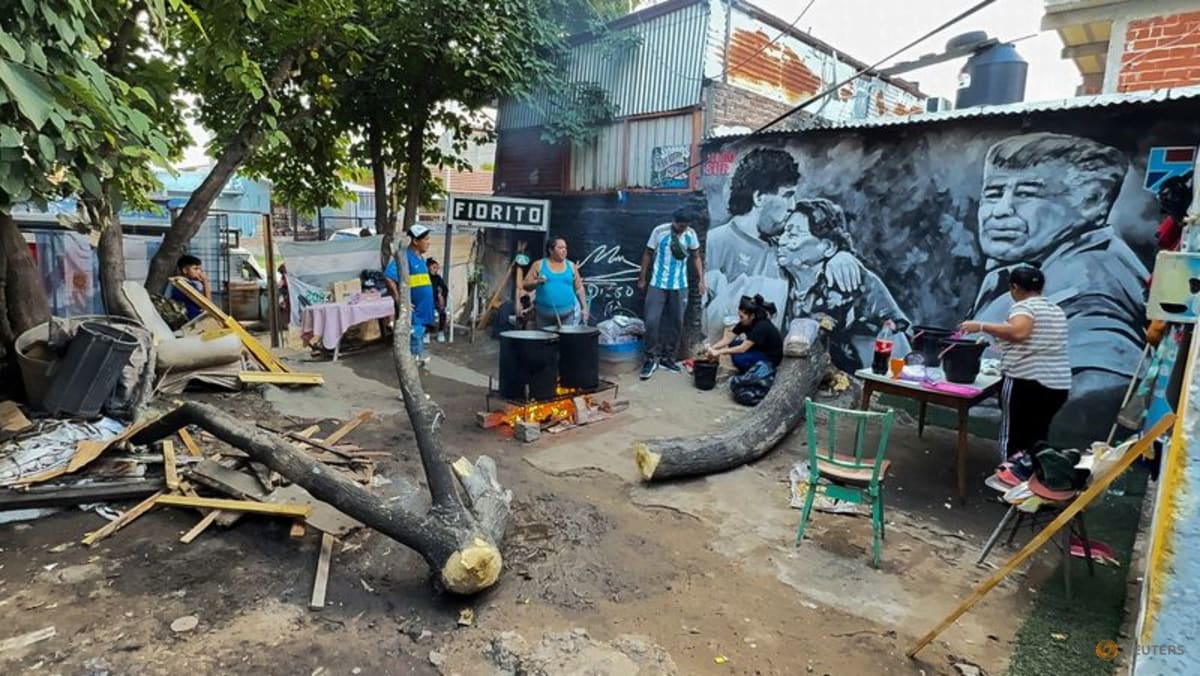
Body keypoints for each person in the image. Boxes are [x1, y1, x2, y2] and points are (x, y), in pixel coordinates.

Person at [969, 133, 1147, 445]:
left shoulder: (1089, 282)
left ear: (1092, 202)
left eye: (1026, 194)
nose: (1001, 210)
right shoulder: (1031, 267)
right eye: (993, 193)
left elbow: (1103, 381)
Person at [703, 147, 863, 343]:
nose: (793, 205)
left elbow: (818, 257)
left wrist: (840, 255)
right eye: (787, 195)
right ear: (759, 197)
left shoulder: (786, 247)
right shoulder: (714, 244)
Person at [775, 199, 911, 374]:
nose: (782, 241)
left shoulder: (852, 281)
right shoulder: (780, 272)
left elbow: (897, 337)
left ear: (829, 247)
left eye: (793, 235)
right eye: (784, 232)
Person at [960, 265, 1071, 462]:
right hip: (1057, 386)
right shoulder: (1055, 309)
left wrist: (981, 326)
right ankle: (1031, 480)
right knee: (1037, 437)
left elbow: (1020, 332)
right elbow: (1036, 342)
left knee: (1013, 436)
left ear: (1014, 287)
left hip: (1026, 383)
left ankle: (1008, 477)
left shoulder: (1024, 307)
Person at [637, 208, 705, 379]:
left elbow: (696, 256)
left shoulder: (690, 234)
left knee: (676, 322)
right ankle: (651, 359)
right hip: (657, 284)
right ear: (673, 220)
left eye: (685, 226)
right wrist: (642, 277)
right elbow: (648, 254)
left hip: (680, 285)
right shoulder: (659, 231)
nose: (681, 228)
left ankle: (668, 358)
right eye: (679, 225)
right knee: (652, 321)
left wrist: (701, 280)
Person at [383, 224, 436, 363]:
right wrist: (400, 299)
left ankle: (417, 359)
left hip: (424, 308)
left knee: (419, 334)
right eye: (426, 239)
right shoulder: (404, 256)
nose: (428, 242)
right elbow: (389, 276)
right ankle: (412, 364)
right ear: (416, 241)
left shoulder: (421, 258)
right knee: (414, 335)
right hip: (414, 309)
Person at [706, 294, 783, 373]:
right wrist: (713, 348)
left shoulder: (761, 326)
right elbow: (728, 339)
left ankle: (756, 369)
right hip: (759, 347)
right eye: (739, 316)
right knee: (733, 344)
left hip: (770, 357)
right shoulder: (745, 322)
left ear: (752, 316)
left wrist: (719, 352)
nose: (740, 319)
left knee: (739, 360)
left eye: (742, 317)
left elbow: (742, 349)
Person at [523, 237, 588, 329]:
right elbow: (525, 285)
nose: (564, 250)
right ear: (551, 250)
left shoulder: (571, 266)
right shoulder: (539, 265)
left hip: (567, 314)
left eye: (565, 248)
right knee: (545, 341)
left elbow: (579, 289)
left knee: (565, 341)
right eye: (560, 248)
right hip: (544, 315)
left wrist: (584, 308)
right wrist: (536, 282)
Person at [167, 254, 210, 320]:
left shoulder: (180, 283)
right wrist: (205, 283)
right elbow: (208, 306)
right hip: (192, 320)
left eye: (200, 269)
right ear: (185, 270)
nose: (199, 272)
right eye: (195, 269)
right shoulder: (185, 285)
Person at [427, 258, 450, 342]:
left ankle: (440, 332)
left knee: (442, 313)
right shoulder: (424, 277)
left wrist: (441, 297)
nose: (436, 270)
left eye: (437, 268)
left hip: (436, 300)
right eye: (434, 267)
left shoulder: (438, 278)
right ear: (428, 267)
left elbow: (445, 289)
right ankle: (426, 332)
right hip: (427, 300)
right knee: (427, 312)